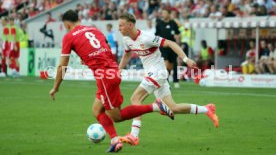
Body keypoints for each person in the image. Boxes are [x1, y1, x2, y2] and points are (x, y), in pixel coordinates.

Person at [49, 10, 173, 153]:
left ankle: (155, 106)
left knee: (117, 116)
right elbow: (106, 49)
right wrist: (89, 59)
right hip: (111, 70)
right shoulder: (94, 30)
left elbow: (62, 65)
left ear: (67, 24)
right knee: (97, 110)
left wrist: (56, 87)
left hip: (105, 76)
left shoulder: (69, 36)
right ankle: (114, 140)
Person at [118, 12, 219, 146]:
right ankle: (207, 109)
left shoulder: (147, 37)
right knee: (173, 107)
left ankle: (134, 135)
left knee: (135, 98)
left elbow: (171, 43)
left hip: (158, 72)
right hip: (153, 74)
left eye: (121, 25)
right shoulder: (127, 40)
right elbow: (127, 55)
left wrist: (185, 59)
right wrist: (118, 71)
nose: (119, 28)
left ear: (130, 25)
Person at [155, 8, 181, 88]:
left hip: (172, 46)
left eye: (165, 13)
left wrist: (178, 41)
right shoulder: (159, 23)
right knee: (165, 64)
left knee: (174, 64)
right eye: (162, 13)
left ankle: (176, 81)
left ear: (169, 14)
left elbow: (178, 33)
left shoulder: (173, 23)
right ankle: (165, 81)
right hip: (163, 47)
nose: (163, 14)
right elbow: (156, 35)